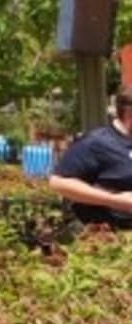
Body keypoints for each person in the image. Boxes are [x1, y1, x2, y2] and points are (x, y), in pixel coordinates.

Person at [47, 90, 132, 229]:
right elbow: (58, 182)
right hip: (111, 237)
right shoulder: (96, 142)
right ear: (129, 113)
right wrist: (114, 200)